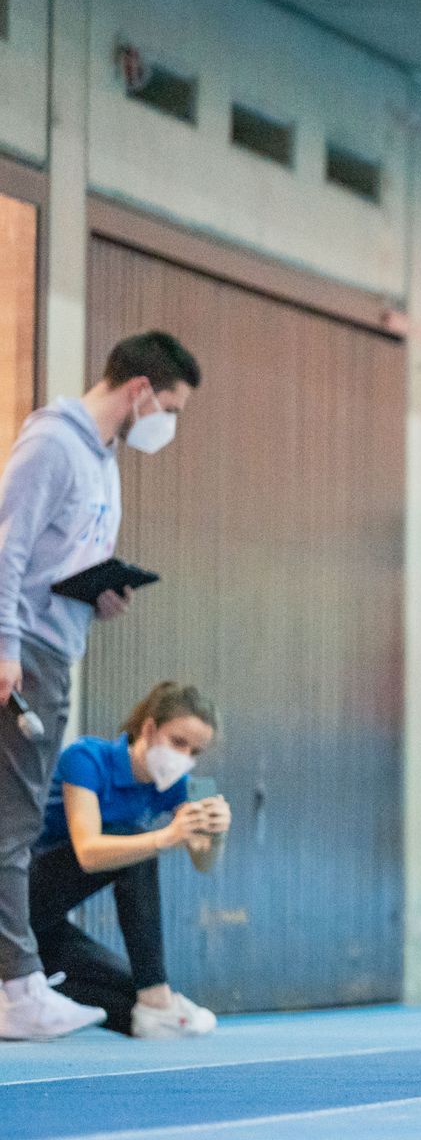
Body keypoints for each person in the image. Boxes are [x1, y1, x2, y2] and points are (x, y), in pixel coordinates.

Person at [0, 330, 201, 1041]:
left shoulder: (104, 462)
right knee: (15, 822)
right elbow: (8, 543)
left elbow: (63, 557)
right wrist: (4, 645)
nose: (168, 423)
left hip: (57, 645)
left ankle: (19, 981)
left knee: (14, 820)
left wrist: (99, 594)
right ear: (142, 390)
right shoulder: (55, 442)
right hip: (25, 651)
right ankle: (17, 985)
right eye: (170, 406)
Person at [27, 682, 227, 1037]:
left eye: (195, 752)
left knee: (129, 1001)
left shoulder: (189, 785)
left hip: (43, 926)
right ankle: (156, 995)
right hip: (19, 897)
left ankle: (149, 1001)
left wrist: (218, 832)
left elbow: (204, 863)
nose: (185, 758)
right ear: (149, 729)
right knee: (135, 844)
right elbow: (88, 852)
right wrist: (165, 837)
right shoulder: (86, 757)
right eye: (178, 743)